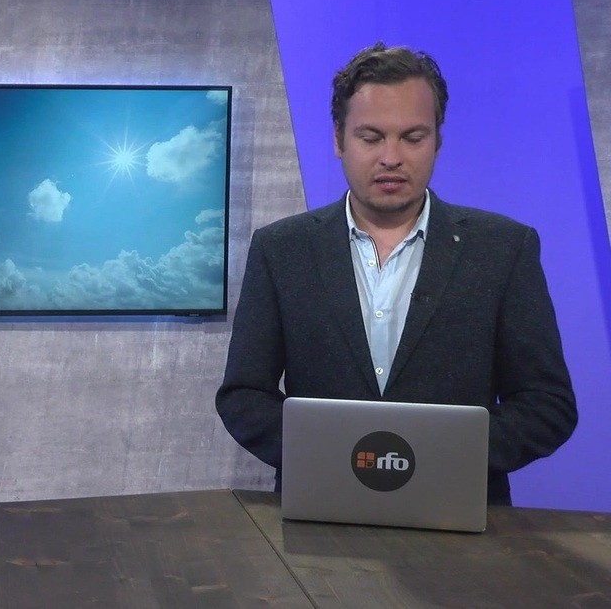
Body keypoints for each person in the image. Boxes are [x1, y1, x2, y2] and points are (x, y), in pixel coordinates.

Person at [215, 42, 577, 506]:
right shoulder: (281, 250)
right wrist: (337, 456)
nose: (391, 157)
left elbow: (547, 404)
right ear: (338, 139)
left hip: (460, 520)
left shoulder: (504, 249)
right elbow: (244, 396)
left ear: (437, 140)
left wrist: (431, 457)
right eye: (371, 137)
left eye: (412, 137)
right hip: (321, 514)